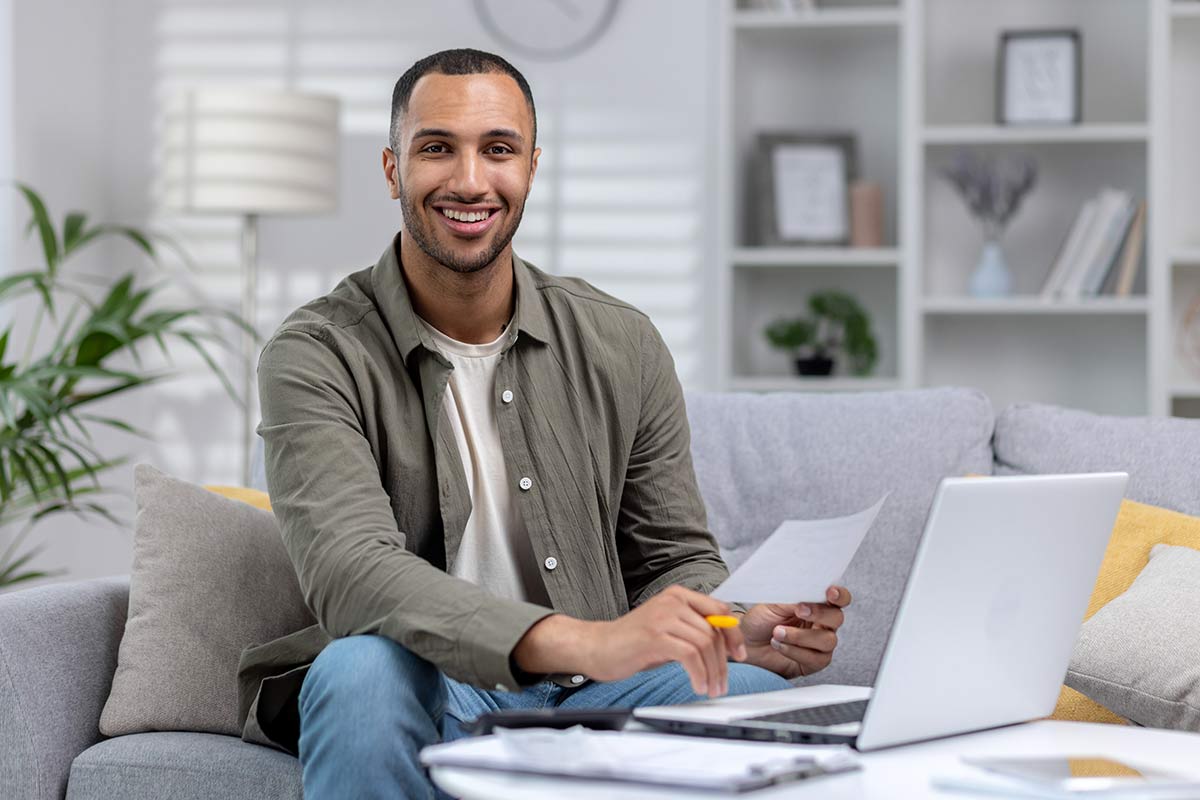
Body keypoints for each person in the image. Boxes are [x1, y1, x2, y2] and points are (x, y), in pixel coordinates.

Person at [242, 48, 852, 799]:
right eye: (437, 148)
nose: (470, 181)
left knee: (752, 696)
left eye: (498, 149)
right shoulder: (315, 353)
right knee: (358, 669)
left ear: (532, 166)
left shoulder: (621, 342)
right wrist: (589, 642)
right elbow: (352, 573)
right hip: (434, 681)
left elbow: (672, 557)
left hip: (602, 690)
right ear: (393, 169)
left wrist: (734, 626)